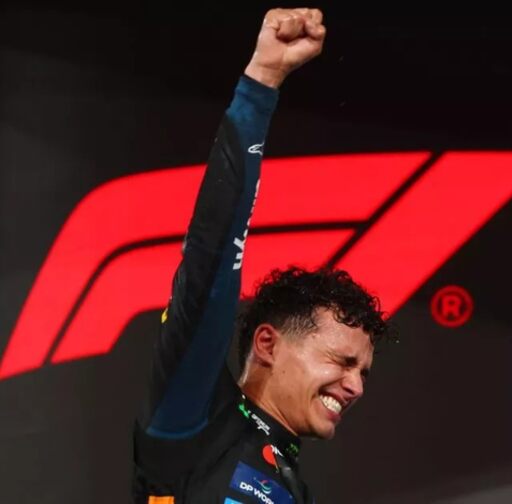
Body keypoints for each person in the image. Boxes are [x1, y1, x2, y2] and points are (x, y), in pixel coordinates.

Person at [131, 8, 392, 503]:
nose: (356, 386)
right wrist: (262, 83)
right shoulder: (195, 414)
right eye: (343, 361)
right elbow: (210, 263)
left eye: (362, 372)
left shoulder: (293, 487)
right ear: (268, 344)